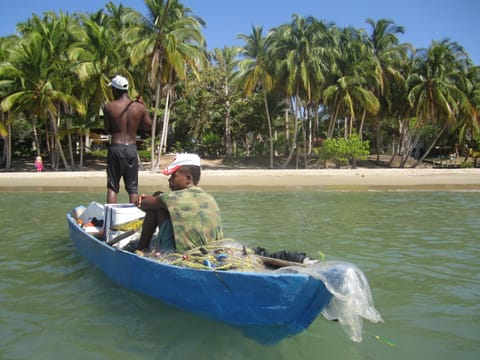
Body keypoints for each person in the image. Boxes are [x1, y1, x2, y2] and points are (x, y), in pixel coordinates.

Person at [136, 153, 224, 253]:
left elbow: (144, 204)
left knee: (157, 203)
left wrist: (142, 199)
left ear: (188, 179)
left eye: (174, 176)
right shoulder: (209, 197)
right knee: (160, 201)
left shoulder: (172, 198)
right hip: (210, 251)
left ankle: (141, 248)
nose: (169, 180)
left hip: (182, 254)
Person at [103, 75, 152, 204]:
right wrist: (143, 107)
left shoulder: (109, 107)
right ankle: (134, 218)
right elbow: (148, 126)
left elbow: (107, 129)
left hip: (116, 147)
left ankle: (112, 218)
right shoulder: (139, 107)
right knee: (132, 188)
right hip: (131, 148)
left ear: (115, 90)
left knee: (112, 187)